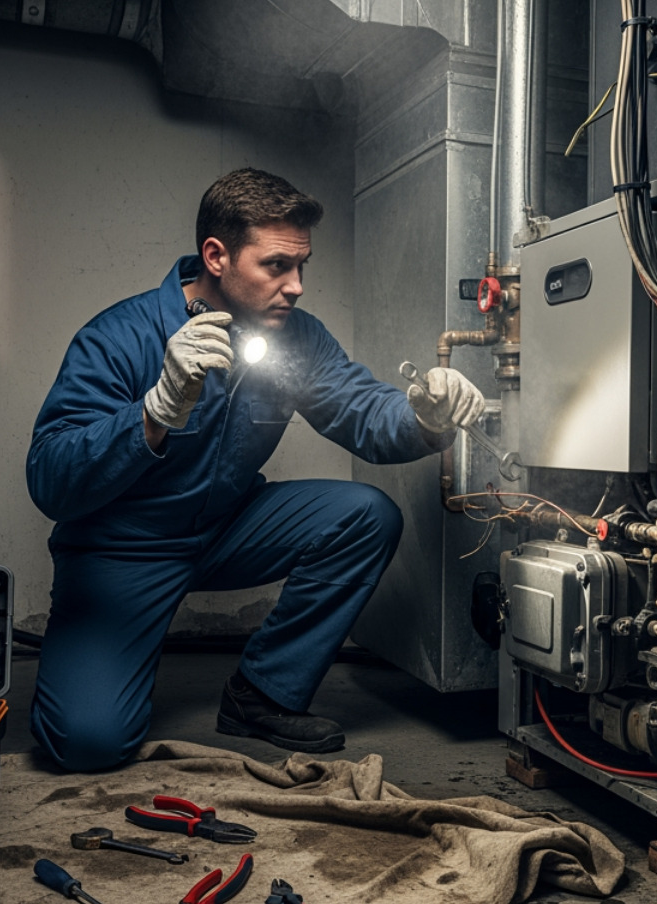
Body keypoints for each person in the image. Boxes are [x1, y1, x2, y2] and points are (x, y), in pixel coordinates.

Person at [25, 167, 484, 772]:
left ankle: (263, 694)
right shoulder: (119, 336)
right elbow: (49, 477)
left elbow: (363, 414)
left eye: (303, 267)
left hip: (224, 527)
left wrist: (426, 415)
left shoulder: (295, 338)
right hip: (122, 550)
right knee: (86, 743)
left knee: (365, 515)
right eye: (275, 266)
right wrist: (152, 412)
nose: (295, 286)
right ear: (217, 256)